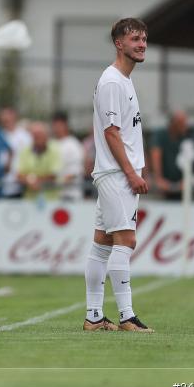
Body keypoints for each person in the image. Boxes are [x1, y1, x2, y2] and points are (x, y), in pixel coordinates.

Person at [85, 18, 153, 333]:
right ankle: (127, 317)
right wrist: (130, 173)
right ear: (119, 43)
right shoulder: (113, 81)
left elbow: (119, 132)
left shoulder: (123, 80)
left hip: (114, 171)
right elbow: (111, 133)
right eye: (135, 39)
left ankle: (94, 317)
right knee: (125, 240)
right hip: (115, 173)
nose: (141, 44)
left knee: (102, 244)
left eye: (143, 39)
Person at [149, 109, 190, 200]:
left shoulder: (186, 138)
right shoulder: (160, 135)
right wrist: (159, 179)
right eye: (182, 123)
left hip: (181, 187)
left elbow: (190, 160)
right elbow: (155, 155)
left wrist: (187, 180)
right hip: (163, 189)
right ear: (174, 123)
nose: (185, 126)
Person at [16, 122, 62, 200]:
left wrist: (32, 180)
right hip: (29, 201)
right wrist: (32, 181)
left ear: (46, 135)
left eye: (40, 134)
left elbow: (53, 175)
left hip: (51, 201)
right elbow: (19, 175)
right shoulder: (24, 151)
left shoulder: (55, 150)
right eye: (34, 135)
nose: (37, 137)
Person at [51, 111, 85, 200]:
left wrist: (56, 183)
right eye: (54, 125)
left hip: (70, 195)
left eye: (59, 125)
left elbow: (75, 172)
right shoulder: (51, 143)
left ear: (65, 125)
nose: (56, 128)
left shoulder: (73, 145)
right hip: (54, 195)